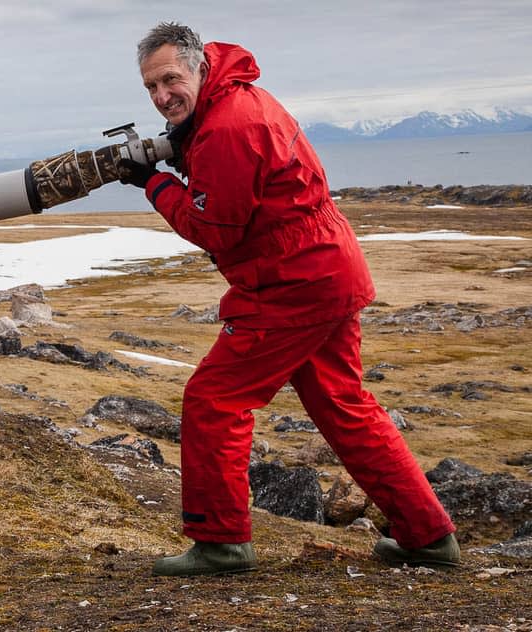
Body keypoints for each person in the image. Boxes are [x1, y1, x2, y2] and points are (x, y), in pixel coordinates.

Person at [118, 22, 459, 576]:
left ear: (200, 66)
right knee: (344, 406)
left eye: (170, 80)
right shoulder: (239, 99)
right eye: (151, 88)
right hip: (327, 269)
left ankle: (221, 542)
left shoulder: (228, 125)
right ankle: (427, 535)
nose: (162, 97)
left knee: (215, 399)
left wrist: (153, 184)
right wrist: (186, 152)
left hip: (292, 282)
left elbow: (215, 228)